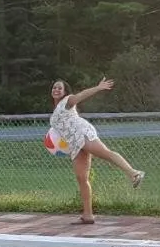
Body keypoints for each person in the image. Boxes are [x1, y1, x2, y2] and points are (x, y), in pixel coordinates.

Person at [50, 78, 146, 225]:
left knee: (106, 153)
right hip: (74, 144)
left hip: (82, 133)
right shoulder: (56, 109)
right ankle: (88, 215)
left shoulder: (67, 101)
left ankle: (134, 173)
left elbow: (81, 95)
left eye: (59, 88)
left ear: (65, 92)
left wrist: (98, 87)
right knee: (82, 178)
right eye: (54, 88)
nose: (56, 90)